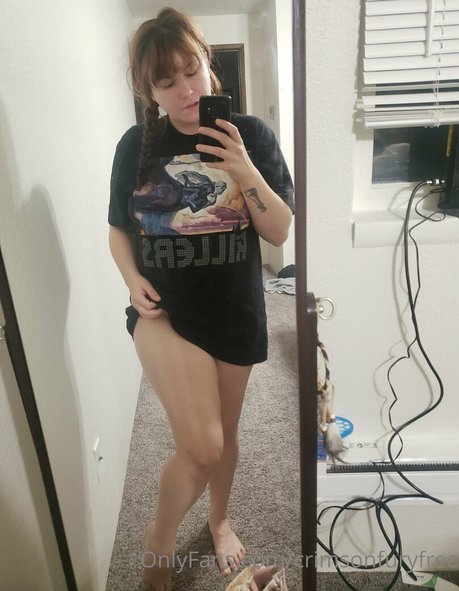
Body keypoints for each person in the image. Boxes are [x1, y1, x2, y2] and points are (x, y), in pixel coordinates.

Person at [108, 7, 294, 590]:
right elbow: (118, 229)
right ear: (149, 91)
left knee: (224, 438)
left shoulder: (251, 135)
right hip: (165, 315)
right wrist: (129, 278)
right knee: (203, 444)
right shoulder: (136, 145)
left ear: (207, 62)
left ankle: (219, 521)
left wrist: (243, 168)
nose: (187, 91)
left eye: (192, 72)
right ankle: (158, 549)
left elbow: (278, 231)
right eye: (168, 82)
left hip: (234, 313)